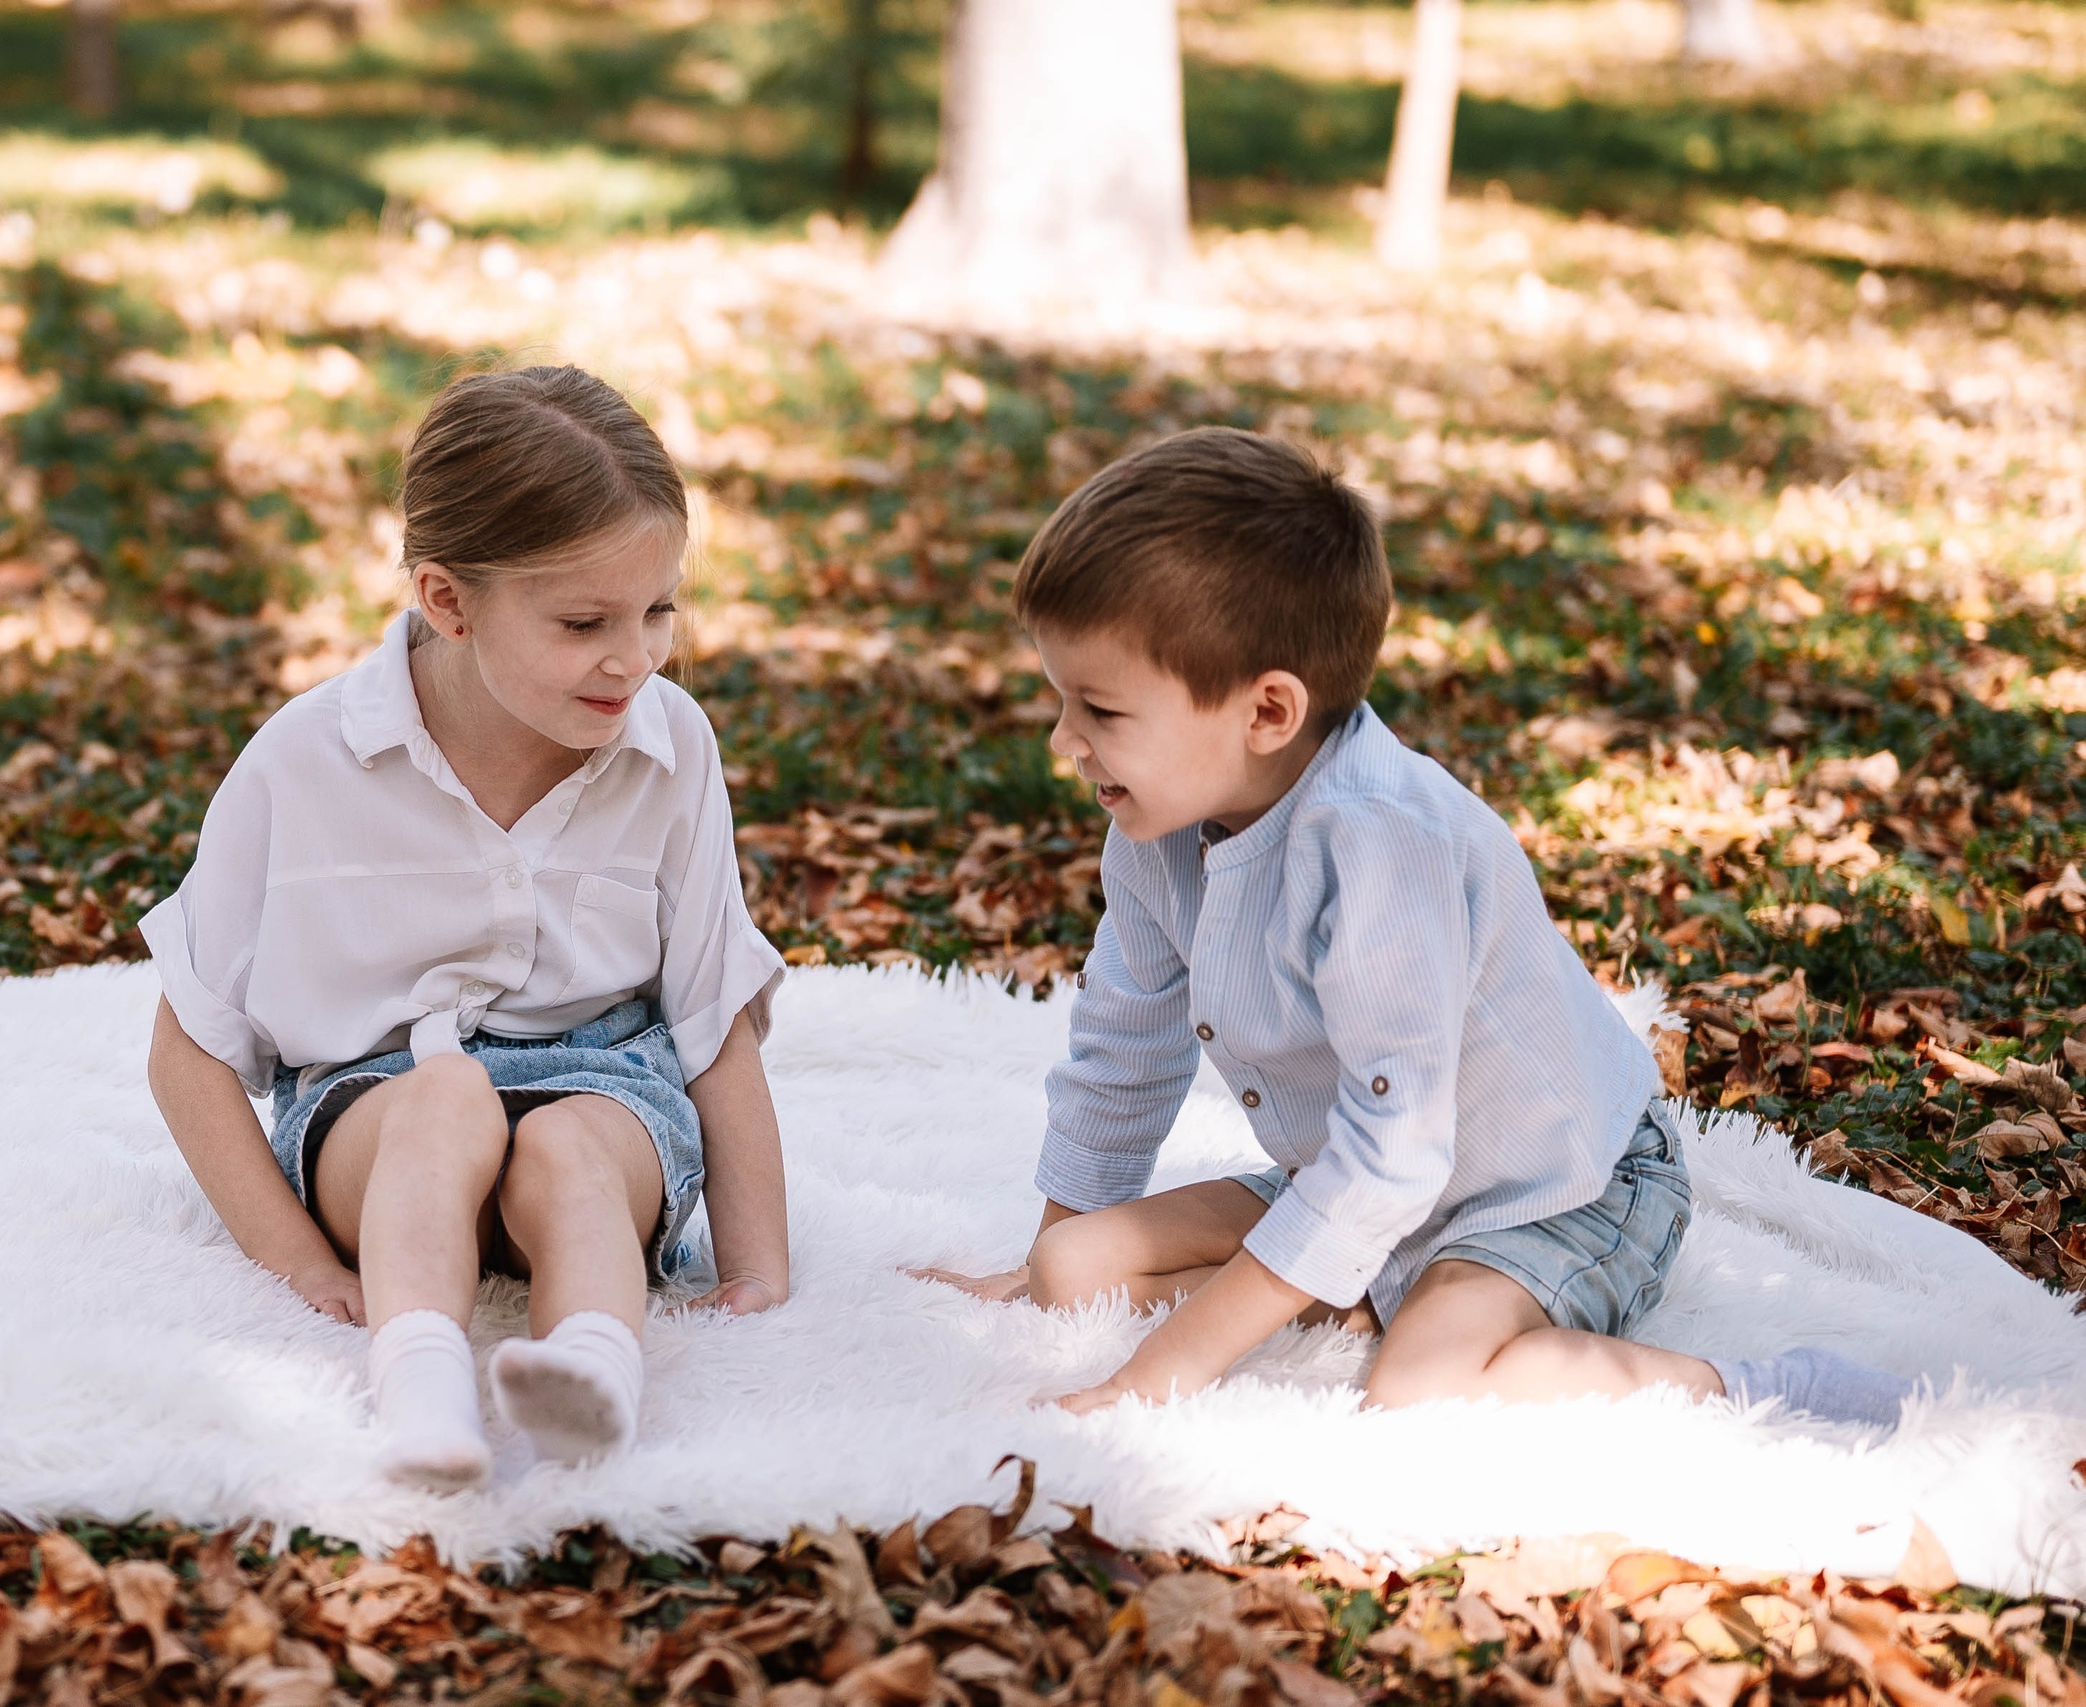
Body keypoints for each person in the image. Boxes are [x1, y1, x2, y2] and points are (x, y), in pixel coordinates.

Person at [918, 427, 1913, 1429]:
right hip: (1364, 1177)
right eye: (1060, 700)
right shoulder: (1155, 831)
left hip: (1554, 1190)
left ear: (1265, 712)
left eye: (1097, 708)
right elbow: (1125, 1044)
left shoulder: (1382, 848)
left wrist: (1158, 1373)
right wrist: (1041, 1268)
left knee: (1419, 1385)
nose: (1063, 741)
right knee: (1073, 1265)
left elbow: (1394, 1151)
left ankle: (1760, 1388)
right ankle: (1352, 1288)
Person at [143, 366, 789, 1492]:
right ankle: (422, 1386)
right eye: (585, 622)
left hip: (604, 1088)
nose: (634, 657)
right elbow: (188, 1049)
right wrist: (296, 1262)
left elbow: (711, 1018)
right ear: (447, 602)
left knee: (569, 1145)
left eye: (658, 611)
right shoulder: (305, 761)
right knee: (443, 1098)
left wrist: (756, 1268)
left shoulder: (670, 746)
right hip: (378, 1105)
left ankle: (593, 1375)